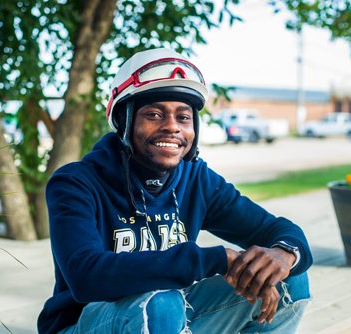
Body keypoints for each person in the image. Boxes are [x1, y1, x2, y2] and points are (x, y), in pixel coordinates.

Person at [38, 48, 312, 334]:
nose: (171, 127)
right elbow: (86, 276)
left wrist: (284, 254)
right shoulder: (76, 183)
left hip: (168, 320)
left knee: (289, 279)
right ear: (124, 121)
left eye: (183, 118)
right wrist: (214, 259)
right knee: (161, 303)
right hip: (86, 324)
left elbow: (278, 230)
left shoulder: (195, 179)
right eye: (154, 114)